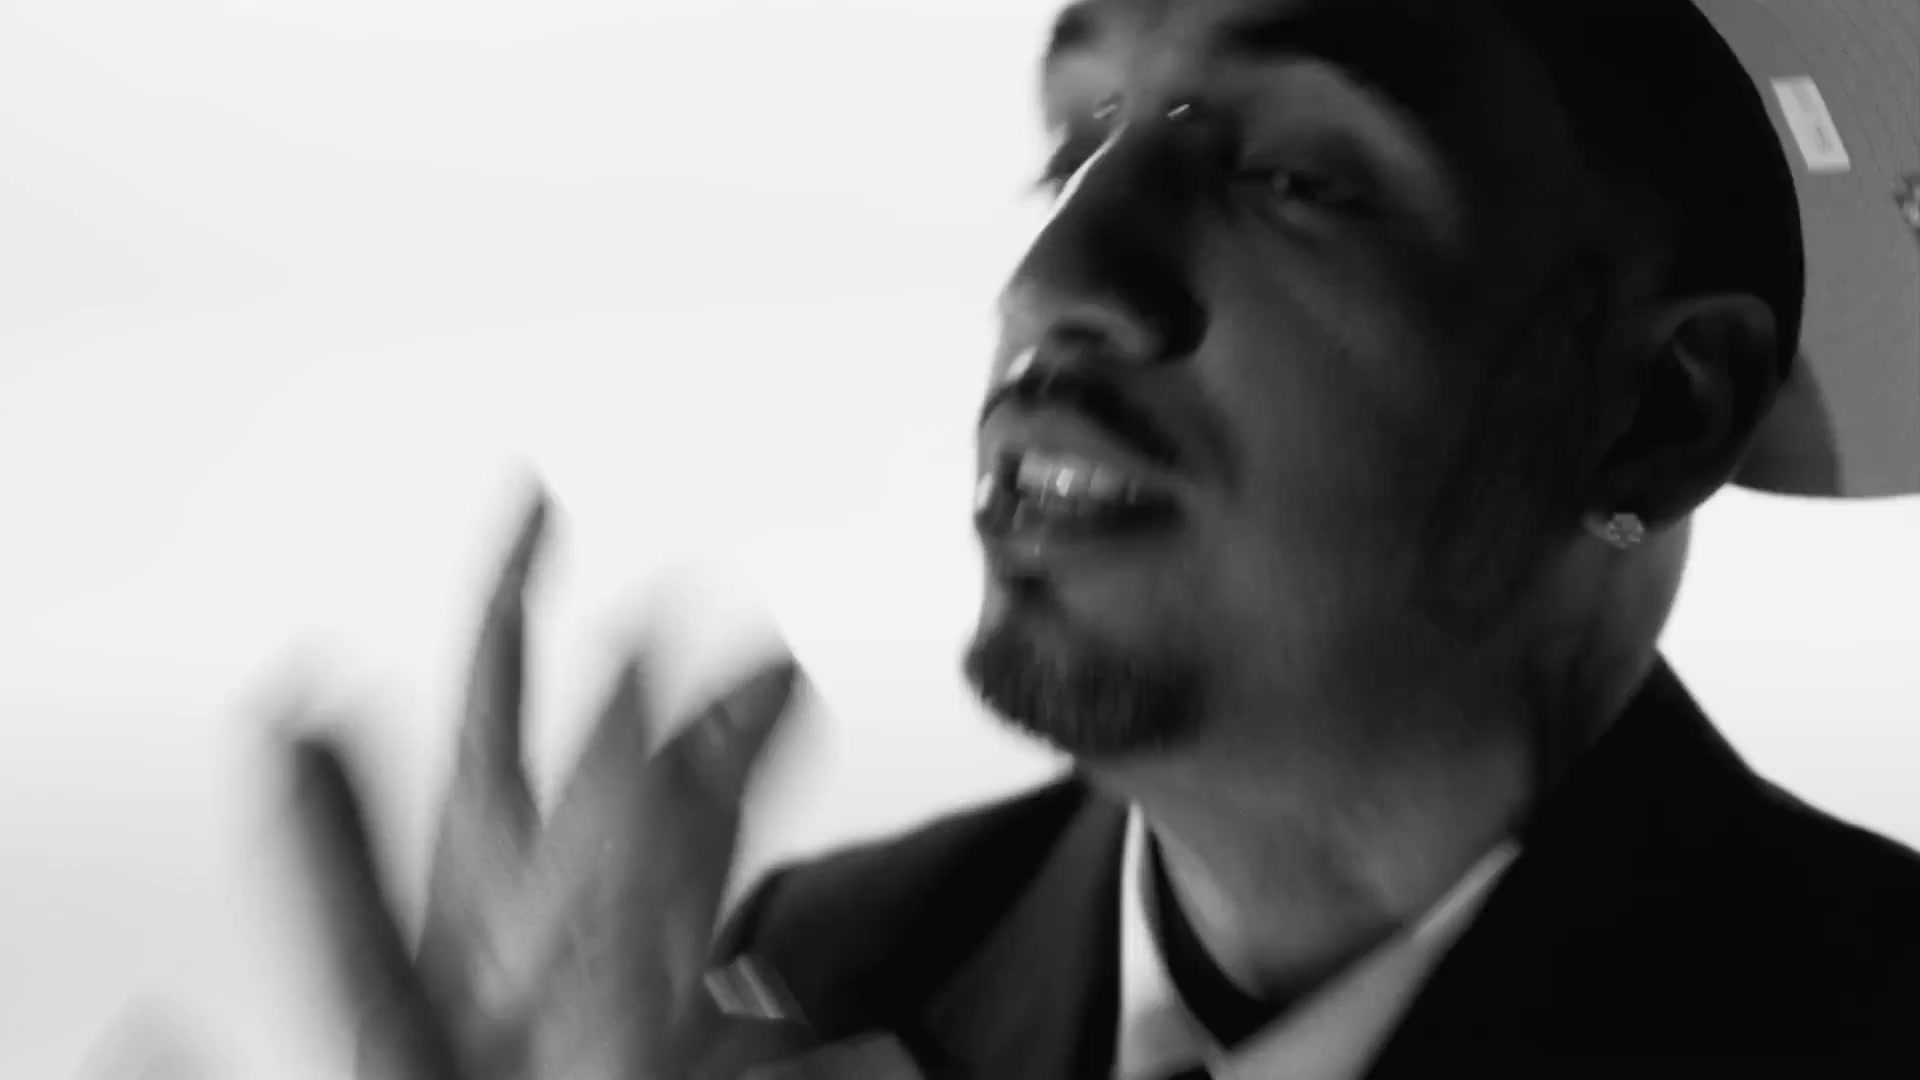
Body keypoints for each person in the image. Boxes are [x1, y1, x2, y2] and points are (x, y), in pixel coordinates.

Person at [286, 0, 1920, 1077]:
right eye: (1078, 141)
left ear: (1660, 410)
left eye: (1296, 173)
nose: (1052, 283)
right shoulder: (805, 980)